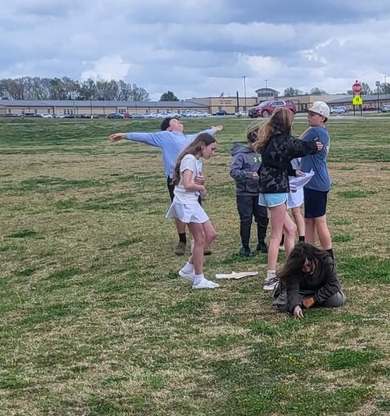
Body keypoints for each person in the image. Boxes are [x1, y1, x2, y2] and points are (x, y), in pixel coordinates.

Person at [109, 117, 222, 254]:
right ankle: (182, 241)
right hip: (175, 180)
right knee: (180, 210)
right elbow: (146, 136)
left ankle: (196, 243)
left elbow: (203, 136)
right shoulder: (165, 136)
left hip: (193, 181)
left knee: (195, 209)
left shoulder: (189, 138)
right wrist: (125, 135)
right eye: (175, 121)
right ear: (168, 128)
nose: (179, 122)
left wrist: (213, 130)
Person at [255, 108, 323, 292]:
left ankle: (290, 270)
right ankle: (270, 277)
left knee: (291, 229)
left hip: (267, 189)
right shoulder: (282, 140)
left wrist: (293, 172)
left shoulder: (270, 139)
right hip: (276, 191)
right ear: (287, 123)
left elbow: (277, 162)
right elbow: (298, 146)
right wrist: (314, 147)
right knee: (277, 235)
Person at [170, 133, 220, 290]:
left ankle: (187, 269)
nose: (213, 153)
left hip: (192, 202)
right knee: (200, 239)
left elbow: (193, 182)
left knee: (211, 234)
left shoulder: (196, 161)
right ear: (202, 146)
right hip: (187, 203)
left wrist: (200, 183)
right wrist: (200, 187)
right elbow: (186, 184)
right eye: (212, 149)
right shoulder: (189, 159)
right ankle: (199, 279)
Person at [273, 242, 346, 317]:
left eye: (308, 265)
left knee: (338, 299)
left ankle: (307, 303)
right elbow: (293, 289)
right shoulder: (294, 266)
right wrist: (295, 306)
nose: (307, 269)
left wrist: (314, 299)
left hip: (321, 290)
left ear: (314, 258)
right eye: (303, 267)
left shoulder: (326, 260)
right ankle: (301, 303)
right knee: (283, 305)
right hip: (301, 292)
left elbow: (333, 284)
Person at [300, 101, 334, 255]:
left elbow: (296, 143)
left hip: (315, 182)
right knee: (309, 220)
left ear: (322, 118)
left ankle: (328, 256)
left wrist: (310, 127)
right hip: (314, 181)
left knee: (319, 220)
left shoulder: (316, 131)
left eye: (313, 115)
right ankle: (310, 253)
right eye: (309, 114)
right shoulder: (321, 131)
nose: (309, 117)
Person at [230, 125, 269, 257]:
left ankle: (261, 242)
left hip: (260, 191)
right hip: (244, 192)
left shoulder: (262, 152)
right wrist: (248, 175)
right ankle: (245, 246)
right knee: (246, 219)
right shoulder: (240, 155)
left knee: (263, 217)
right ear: (249, 142)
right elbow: (234, 171)